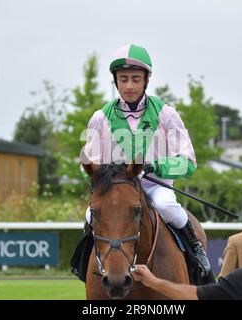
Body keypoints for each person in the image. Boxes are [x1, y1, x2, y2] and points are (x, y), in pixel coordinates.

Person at [71, 44, 212, 281]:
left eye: (135, 79)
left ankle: (197, 256)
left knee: (167, 207)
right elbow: (88, 169)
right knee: (89, 215)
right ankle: (86, 264)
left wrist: (154, 167)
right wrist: (112, 173)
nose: (129, 86)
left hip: (156, 187)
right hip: (117, 189)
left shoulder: (166, 113)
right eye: (123, 79)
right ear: (115, 81)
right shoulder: (100, 117)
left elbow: (187, 162)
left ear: (146, 80)